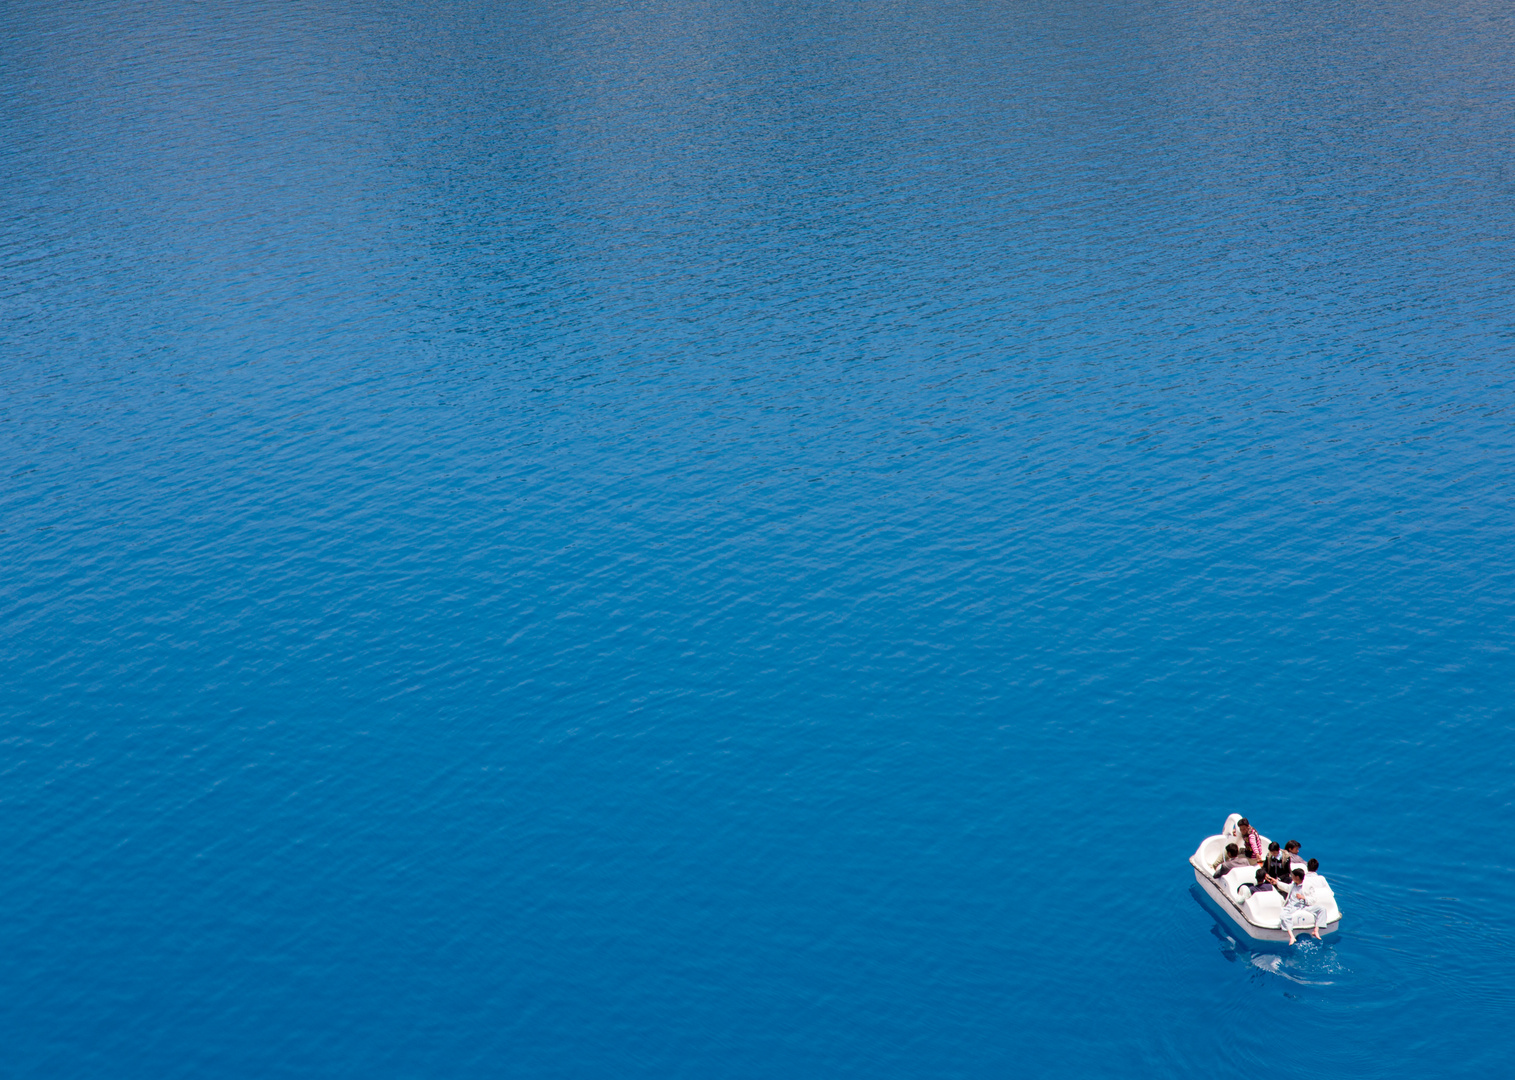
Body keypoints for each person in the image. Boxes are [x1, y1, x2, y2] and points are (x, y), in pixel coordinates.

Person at [1280, 867, 1325, 944]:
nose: (1291, 877)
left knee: (1322, 909)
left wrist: (1303, 898)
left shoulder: (1308, 886)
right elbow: (1286, 887)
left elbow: (1313, 899)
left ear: (1297, 877)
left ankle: (1316, 930)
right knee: (1283, 915)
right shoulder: (1292, 885)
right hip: (1292, 906)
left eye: (1292, 875)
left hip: (1304, 906)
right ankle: (1292, 936)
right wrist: (1276, 882)